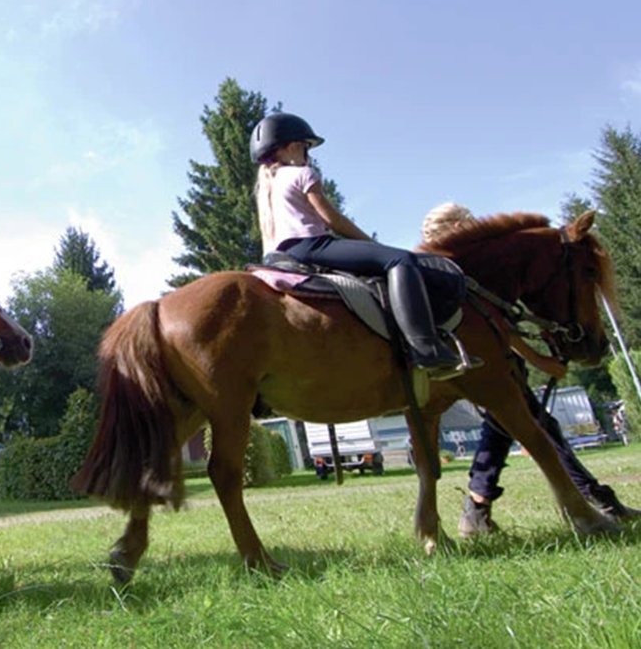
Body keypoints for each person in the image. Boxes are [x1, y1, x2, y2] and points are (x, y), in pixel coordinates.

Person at [419, 202, 641, 535]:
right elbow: (484, 330)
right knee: (534, 425)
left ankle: (478, 510)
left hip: (491, 361)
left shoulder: (475, 266)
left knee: (517, 423)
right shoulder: (448, 273)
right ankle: (591, 501)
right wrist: (539, 360)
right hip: (477, 364)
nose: (471, 227)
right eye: (464, 224)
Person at [250, 112, 465, 380]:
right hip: (312, 245)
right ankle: (425, 347)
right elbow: (331, 218)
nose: (308, 154)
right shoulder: (302, 173)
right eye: (306, 147)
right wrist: (371, 244)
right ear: (293, 146)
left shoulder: (266, 186)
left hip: (279, 255)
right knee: (400, 260)